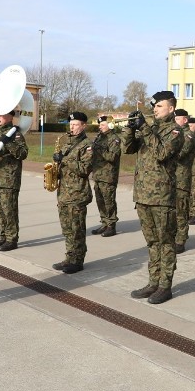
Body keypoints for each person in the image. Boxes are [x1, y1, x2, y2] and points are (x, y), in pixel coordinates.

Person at [123, 91, 184, 304]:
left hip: (162, 197)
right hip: (142, 195)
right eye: (154, 106)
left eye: (160, 106)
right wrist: (130, 129)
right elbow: (127, 148)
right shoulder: (151, 128)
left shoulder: (175, 131)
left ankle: (165, 286)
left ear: (171, 108)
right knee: (151, 243)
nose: (155, 109)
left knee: (165, 242)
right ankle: (153, 282)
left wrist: (144, 128)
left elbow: (161, 153)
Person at [50, 112, 94, 274]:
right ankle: (69, 257)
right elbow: (63, 166)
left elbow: (84, 169)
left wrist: (65, 160)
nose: (72, 127)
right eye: (71, 124)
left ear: (83, 126)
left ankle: (78, 260)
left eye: (75, 124)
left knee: (77, 229)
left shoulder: (87, 145)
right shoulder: (67, 144)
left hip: (77, 194)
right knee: (67, 229)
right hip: (64, 193)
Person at [0, 109, 29, 251]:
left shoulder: (15, 134)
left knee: (9, 211)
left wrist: (8, 143)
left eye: (1, 116)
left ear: (9, 117)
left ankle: (11, 239)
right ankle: (2, 235)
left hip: (9, 180)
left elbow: (23, 154)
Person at [90, 116, 121, 238]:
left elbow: (112, 157)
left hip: (108, 176)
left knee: (109, 201)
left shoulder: (115, 139)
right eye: (100, 125)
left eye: (102, 125)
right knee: (100, 201)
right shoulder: (99, 137)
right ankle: (104, 223)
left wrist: (99, 149)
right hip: (98, 175)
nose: (100, 127)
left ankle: (111, 225)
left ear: (110, 125)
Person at [172, 109, 195, 253]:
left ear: (185, 120)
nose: (174, 122)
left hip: (181, 179)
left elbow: (178, 154)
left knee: (180, 211)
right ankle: (173, 237)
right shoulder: (175, 134)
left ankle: (180, 240)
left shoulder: (188, 136)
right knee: (172, 212)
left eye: (177, 119)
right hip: (171, 178)